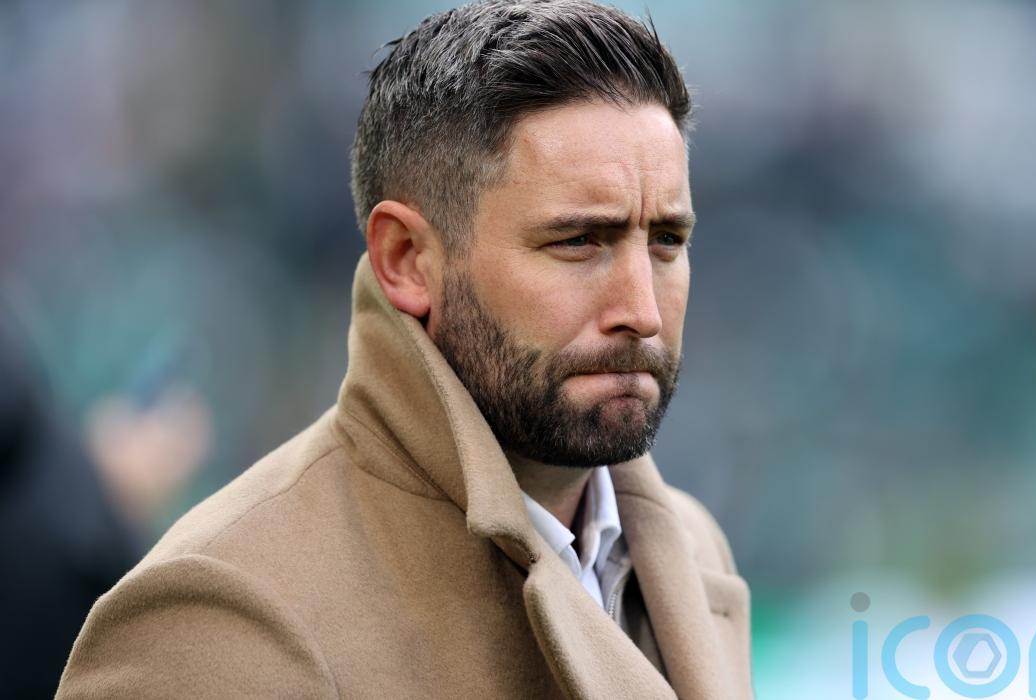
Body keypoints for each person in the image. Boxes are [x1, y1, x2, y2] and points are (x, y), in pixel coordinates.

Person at [57, 1, 752, 697]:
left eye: (667, 240)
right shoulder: (223, 617)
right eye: (577, 241)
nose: (642, 312)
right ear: (408, 260)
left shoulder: (693, 553)